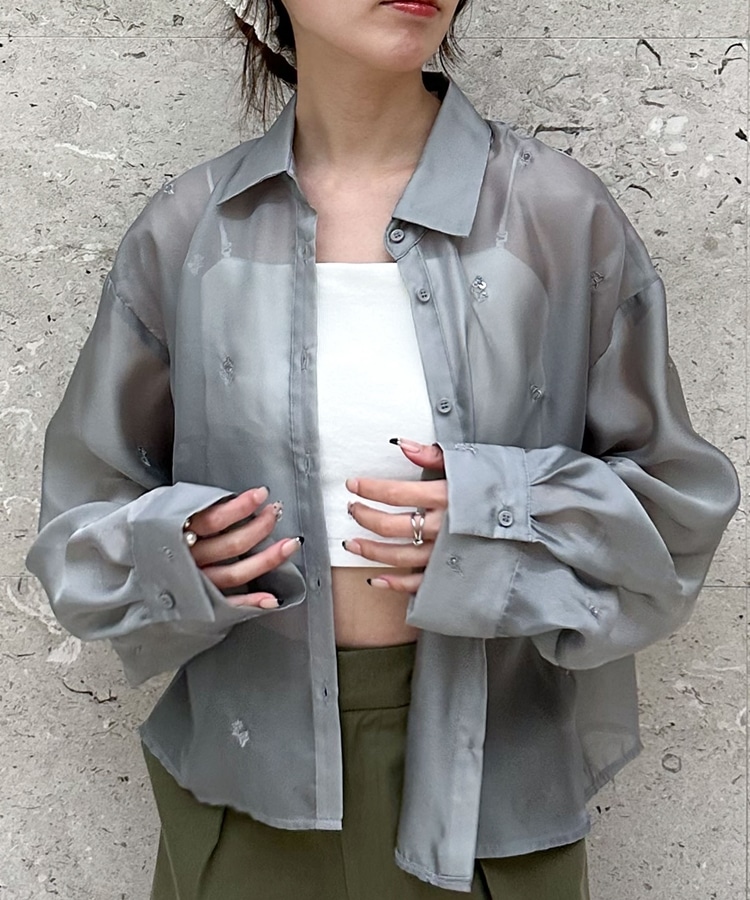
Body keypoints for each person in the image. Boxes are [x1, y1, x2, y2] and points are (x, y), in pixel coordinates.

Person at [26, 0, 740, 898]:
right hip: (246, 792)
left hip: (491, 798)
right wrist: (180, 550)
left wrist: (503, 519)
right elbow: (79, 522)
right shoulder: (189, 233)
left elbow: (676, 511)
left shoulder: (558, 217)